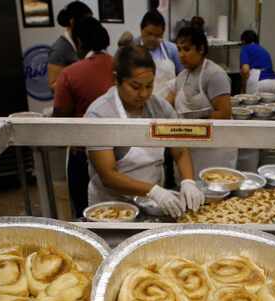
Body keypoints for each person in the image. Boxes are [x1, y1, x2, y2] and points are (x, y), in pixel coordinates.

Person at [85, 46, 204, 217]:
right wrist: (154, 191)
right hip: (112, 207)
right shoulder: (100, 114)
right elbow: (108, 176)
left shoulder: (159, 107)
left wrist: (188, 181)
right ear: (116, 79)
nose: (143, 94)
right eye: (135, 86)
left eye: (149, 86)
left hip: (152, 204)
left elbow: (180, 149)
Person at [53, 17, 114, 217]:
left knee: (85, 212)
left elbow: (60, 119)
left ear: (78, 42)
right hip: (120, 148)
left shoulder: (70, 74)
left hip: (83, 152)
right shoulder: (119, 66)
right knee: (119, 210)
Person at [166, 26, 236, 172]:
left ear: (201, 49)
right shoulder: (182, 76)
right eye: (179, 49)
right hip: (190, 148)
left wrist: (193, 119)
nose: (181, 55)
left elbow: (224, 114)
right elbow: (167, 104)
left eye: (186, 49)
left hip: (213, 152)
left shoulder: (214, 75)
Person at [47, 1, 93, 93]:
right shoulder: (59, 49)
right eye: (86, 21)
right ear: (72, 22)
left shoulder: (83, 43)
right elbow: (53, 87)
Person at [137, 10, 182, 97]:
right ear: (141, 29)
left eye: (158, 36)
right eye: (149, 34)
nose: (153, 39)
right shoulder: (132, 50)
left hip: (169, 103)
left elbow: (182, 78)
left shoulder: (172, 50)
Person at [239, 30, 275, 95]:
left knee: (251, 104)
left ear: (243, 41)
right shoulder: (263, 50)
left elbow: (245, 70)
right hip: (273, 82)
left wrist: (243, 87)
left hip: (258, 81)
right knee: (270, 104)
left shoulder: (246, 49)